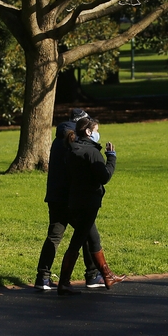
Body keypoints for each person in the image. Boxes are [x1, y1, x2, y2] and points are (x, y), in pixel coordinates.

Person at [35, 109, 105, 290]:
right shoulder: (75, 142)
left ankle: (42, 277)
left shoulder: (59, 139)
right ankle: (92, 275)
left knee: (54, 236)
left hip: (55, 196)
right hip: (72, 198)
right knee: (88, 234)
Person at [57, 117, 126, 295]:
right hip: (89, 202)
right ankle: (64, 282)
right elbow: (104, 177)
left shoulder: (71, 150)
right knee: (77, 241)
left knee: (93, 238)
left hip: (75, 201)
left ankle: (107, 275)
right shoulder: (92, 152)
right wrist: (111, 158)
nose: (97, 134)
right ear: (88, 132)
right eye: (95, 130)